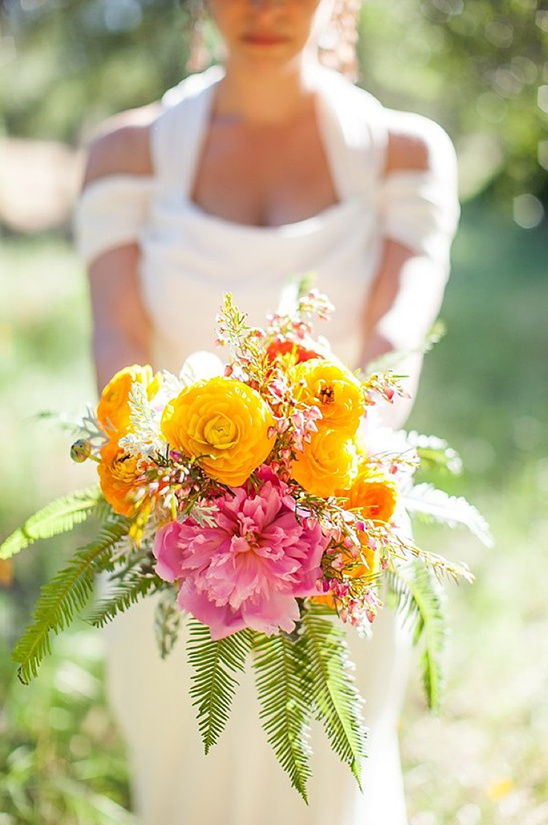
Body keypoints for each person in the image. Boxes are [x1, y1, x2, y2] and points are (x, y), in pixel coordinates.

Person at [75, 1, 460, 823]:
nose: (265, 6)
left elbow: (398, 344)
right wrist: (179, 478)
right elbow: (117, 338)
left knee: (329, 783)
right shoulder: (125, 154)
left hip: (344, 522)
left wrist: (308, 492)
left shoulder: (407, 153)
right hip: (169, 527)